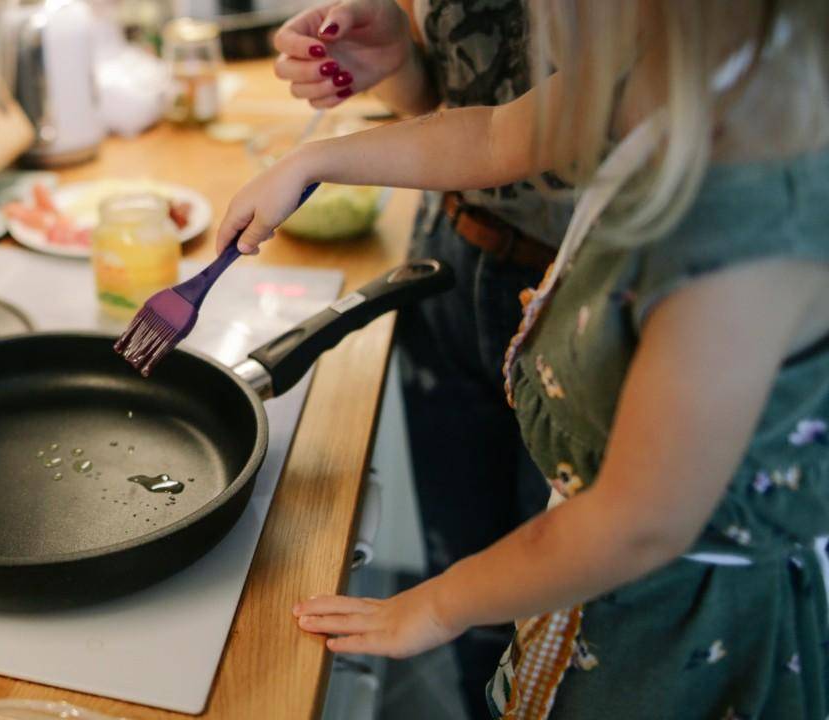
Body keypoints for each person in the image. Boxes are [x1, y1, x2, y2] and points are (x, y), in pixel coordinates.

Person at [225, 0, 829, 716]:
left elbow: (637, 524)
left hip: (676, 625)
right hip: (596, 569)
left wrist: (439, 606)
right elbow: (492, 136)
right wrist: (313, 161)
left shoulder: (741, 239)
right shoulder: (672, 66)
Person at [270, 0, 562, 710]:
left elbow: (623, 530)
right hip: (454, 257)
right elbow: (468, 105)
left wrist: (317, 160)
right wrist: (398, 63)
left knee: (557, 604)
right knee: (463, 559)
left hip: (586, 293)